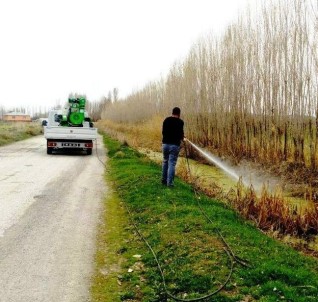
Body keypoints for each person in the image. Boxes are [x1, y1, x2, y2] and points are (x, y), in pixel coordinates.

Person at [161, 107, 184, 187]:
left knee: (165, 161)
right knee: (172, 164)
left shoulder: (166, 120)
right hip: (174, 146)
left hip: (165, 145)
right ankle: (169, 183)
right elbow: (181, 134)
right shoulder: (180, 122)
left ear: (172, 113)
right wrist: (183, 138)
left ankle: (164, 180)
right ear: (179, 114)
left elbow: (163, 132)